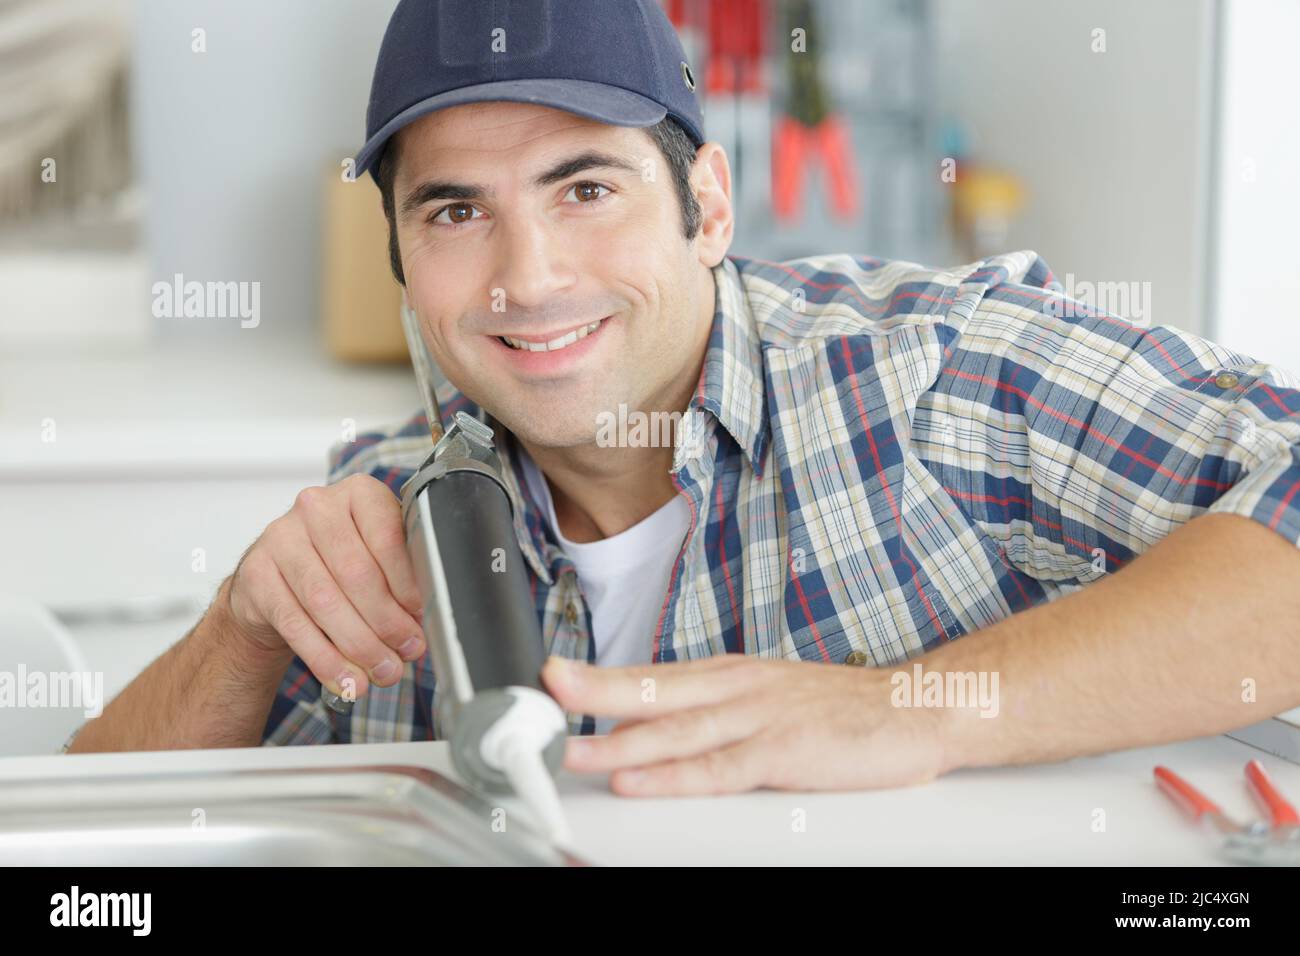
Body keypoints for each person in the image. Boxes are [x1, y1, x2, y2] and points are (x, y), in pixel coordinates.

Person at [69, 0, 1300, 799]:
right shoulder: (386, 516)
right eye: (455, 211)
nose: (528, 276)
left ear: (708, 206)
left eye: (585, 187)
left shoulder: (938, 376)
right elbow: (81, 859)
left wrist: (914, 709)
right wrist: (238, 624)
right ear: (400, 256)